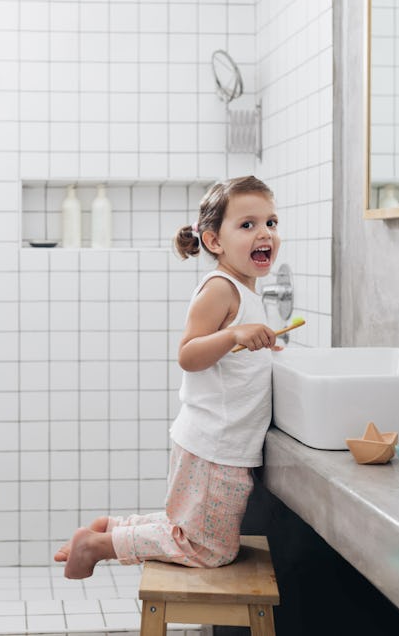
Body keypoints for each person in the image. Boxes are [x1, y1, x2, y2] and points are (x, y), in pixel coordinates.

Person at [55, 175, 282, 578]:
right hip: (215, 448)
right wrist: (234, 335)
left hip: (213, 442)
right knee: (207, 549)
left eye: (271, 223)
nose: (264, 233)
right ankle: (98, 546)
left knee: (188, 531)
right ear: (214, 241)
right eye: (247, 224)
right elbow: (189, 354)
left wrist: (254, 345)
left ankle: (113, 529)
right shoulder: (221, 288)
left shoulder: (246, 292)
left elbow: (230, 357)